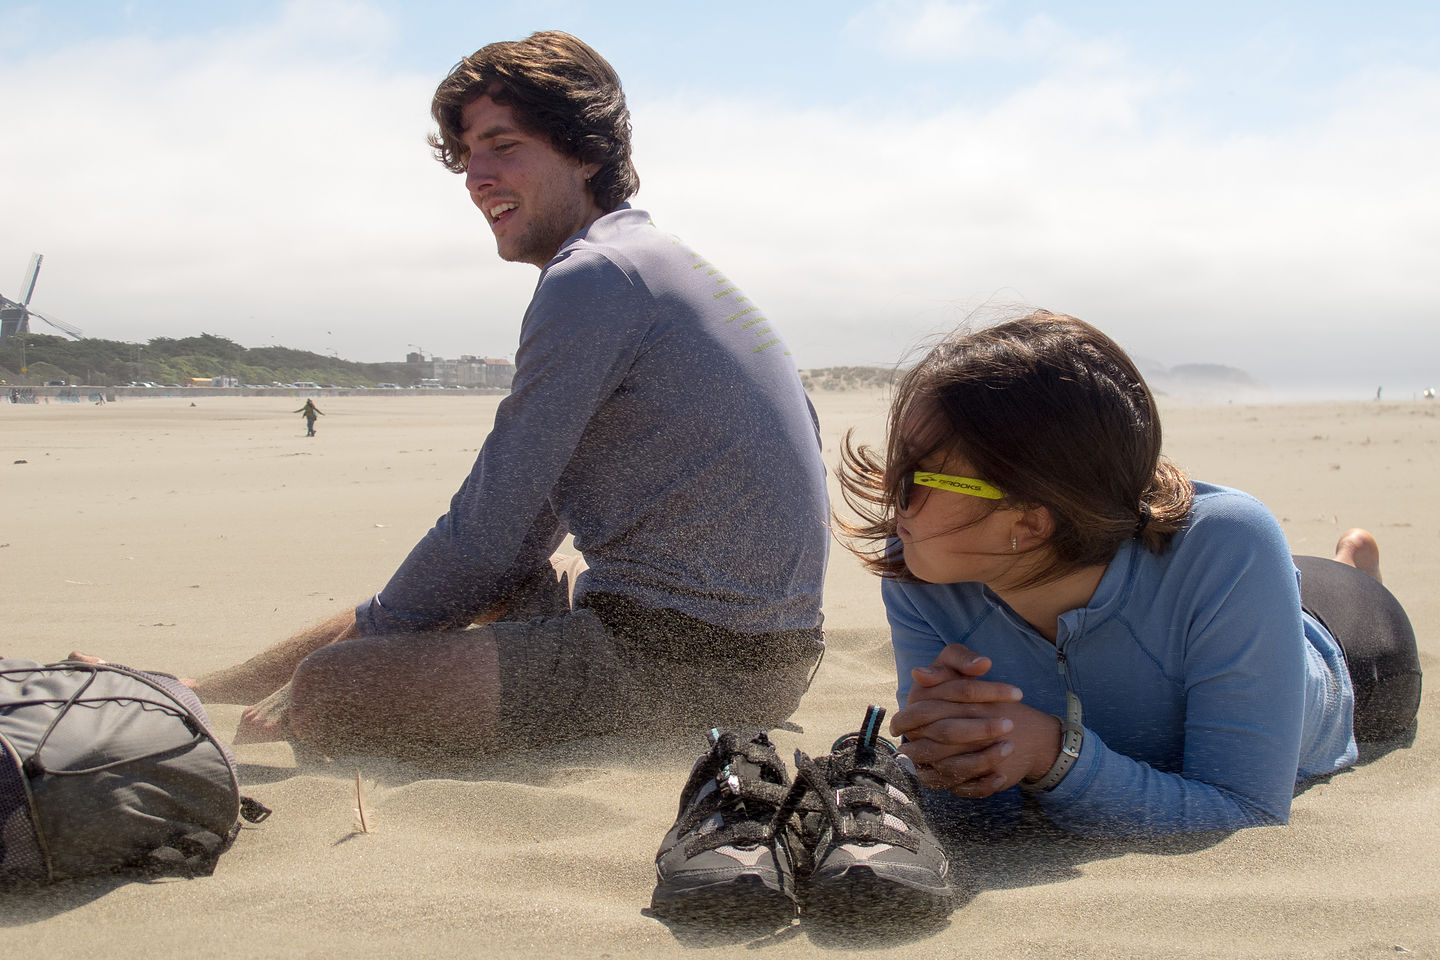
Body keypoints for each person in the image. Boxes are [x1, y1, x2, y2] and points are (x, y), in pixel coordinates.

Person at [85, 32, 829, 760]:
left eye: (503, 146)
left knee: (326, 691)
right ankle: (194, 686)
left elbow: (488, 531)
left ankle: (181, 713)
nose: (476, 176)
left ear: (588, 151)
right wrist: (390, 630)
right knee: (430, 606)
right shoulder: (656, 262)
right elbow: (517, 536)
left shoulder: (595, 277)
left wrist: (351, 666)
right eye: (468, 156)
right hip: (765, 651)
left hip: (686, 665)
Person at [836, 311, 1421, 838]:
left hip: (1347, 643)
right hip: (1249, 600)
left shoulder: (1229, 544)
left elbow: (1247, 809)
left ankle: (1353, 564)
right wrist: (954, 760)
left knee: (1343, 594)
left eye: (917, 476)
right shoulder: (923, 569)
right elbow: (984, 812)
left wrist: (1052, 756)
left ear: (1030, 521)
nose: (891, 494)